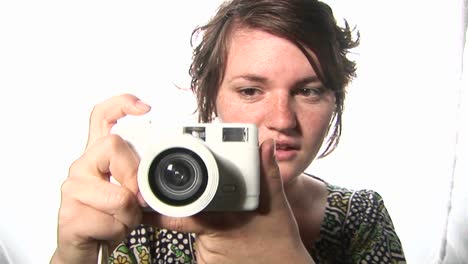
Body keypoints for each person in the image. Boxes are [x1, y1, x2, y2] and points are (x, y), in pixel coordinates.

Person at [51, 0, 406, 263]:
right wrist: (71, 255)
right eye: (250, 91)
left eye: (308, 91)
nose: (282, 120)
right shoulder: (151, 208)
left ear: (335, 99)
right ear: (212, 96)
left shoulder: (361, 217)